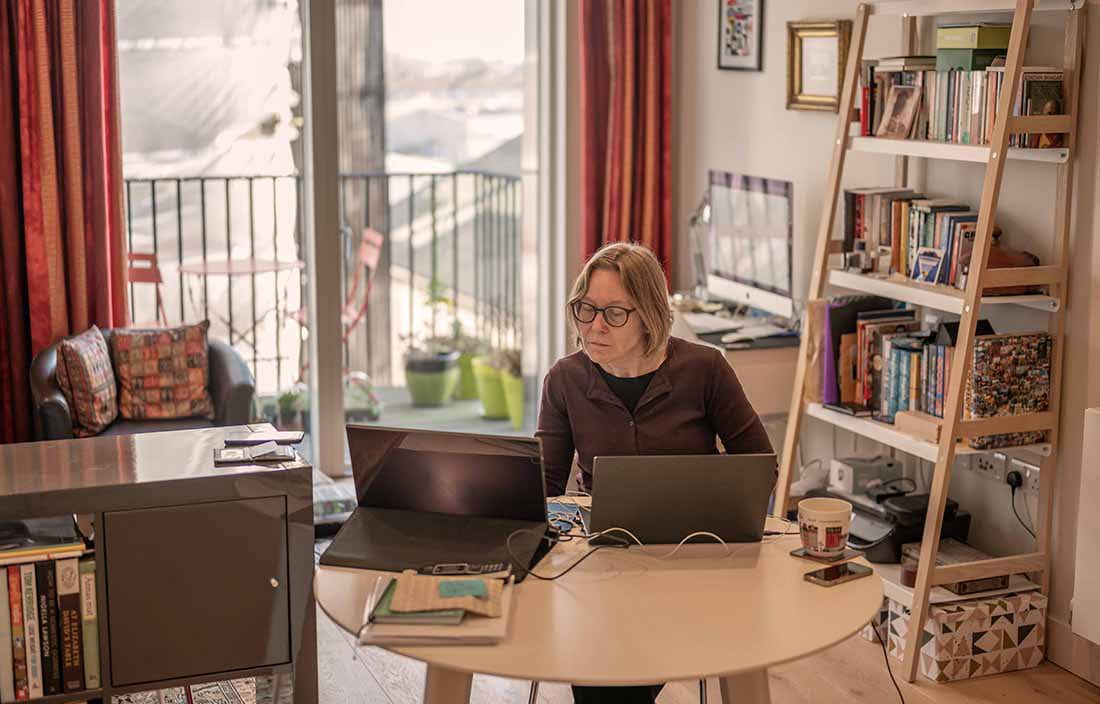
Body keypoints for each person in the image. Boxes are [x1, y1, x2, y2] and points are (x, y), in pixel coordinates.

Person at [536, 241, 774, 704]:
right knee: (605, 673)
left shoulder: (705, 369)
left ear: (648, 314)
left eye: (613, 313)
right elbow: (543, 488)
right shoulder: (565, 379)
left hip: (698, 562)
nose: (594, 326)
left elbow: (760, 464)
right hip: (603, 566)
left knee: (620, 672)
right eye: (585, 309)